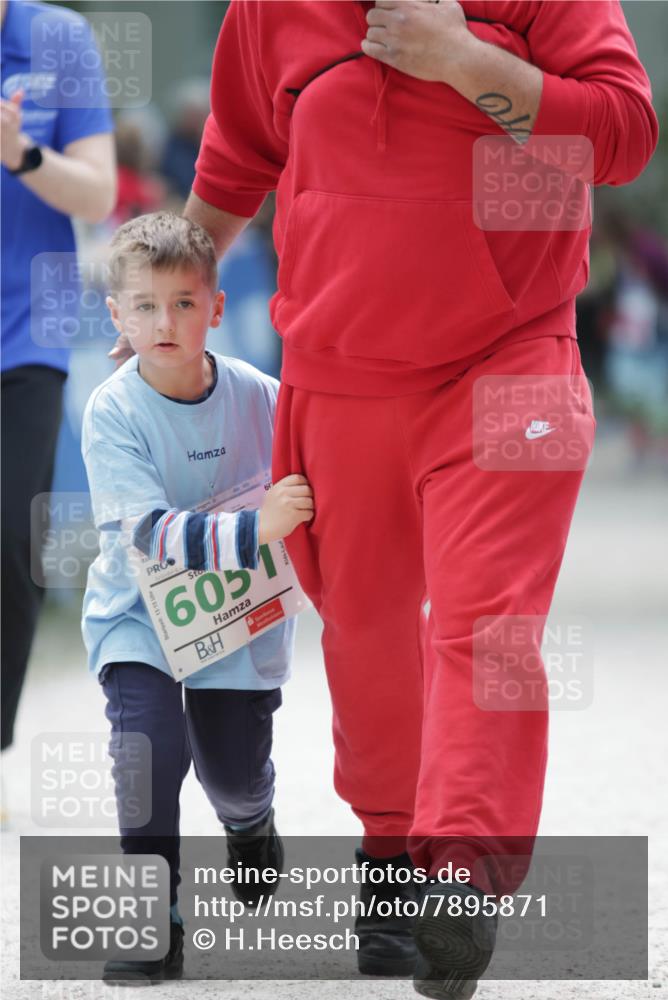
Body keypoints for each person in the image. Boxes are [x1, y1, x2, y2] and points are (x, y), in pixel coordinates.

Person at [111, 2, 658, 996]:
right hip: (340, 371)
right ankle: (392, 862)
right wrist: (167, 293)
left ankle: (462, 876)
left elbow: (620, 134)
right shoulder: (269, 13)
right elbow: (235, 163)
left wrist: (456, 60)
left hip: (509, 358)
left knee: (481, 619)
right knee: (364, 633)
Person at [82, 212, 314, 984]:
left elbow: (328, 469)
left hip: (238, 622)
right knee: (145, 756)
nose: (165, 321)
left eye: (184, 302)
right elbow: (146, 532)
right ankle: (153, 920)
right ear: (116, 316)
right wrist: (260, 525)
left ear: (217, 307)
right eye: (144, 306)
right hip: (137, 618)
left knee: (229, 772)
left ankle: (251, 821)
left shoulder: (262, 397)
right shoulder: (111, 412)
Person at [0, 0, 115, 788]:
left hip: (23, 336)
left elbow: (101, 193)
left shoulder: (57, 38)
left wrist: (23, 154)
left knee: (10, 541)